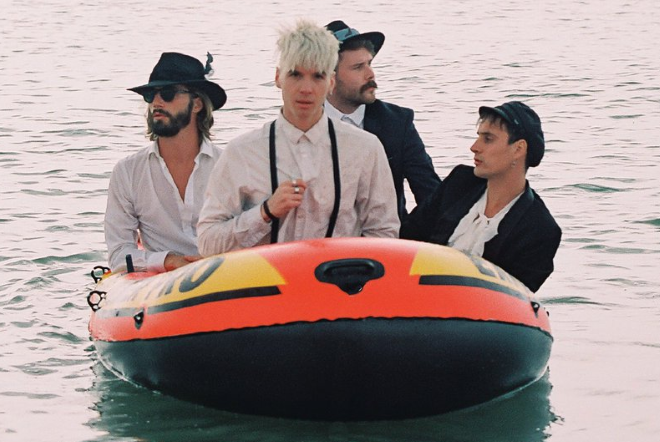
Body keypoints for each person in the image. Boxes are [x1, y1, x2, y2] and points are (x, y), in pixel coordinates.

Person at [197, 19, 399, 256]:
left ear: (331, 82)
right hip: (263, 277)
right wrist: (265, 212)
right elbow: (208, 243)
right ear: (278, 78)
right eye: (295, 75)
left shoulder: (365, 148)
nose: (306, 89)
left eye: (317, 76)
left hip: (339, 277)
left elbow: (384, 233)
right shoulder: (242, 152)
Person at [400, 101, 561, 292]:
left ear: (518, 149)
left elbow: (513, 298)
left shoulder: (540, 230)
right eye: (478, 137)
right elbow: (407, 239)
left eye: (488, 139)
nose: (474, 147)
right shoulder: (459, 183)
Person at [104, 52, 227, 272]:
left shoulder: (228, 166)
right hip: (159, 284)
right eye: (151, 95)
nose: (157, 102)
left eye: (168, 93)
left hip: (225, 275)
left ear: (197, 104)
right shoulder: (128, 172)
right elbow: (119, 254)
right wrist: (169, 260)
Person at [324, 20, 441, 221]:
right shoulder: (304, 124)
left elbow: (431, 195)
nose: (370, 74)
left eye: (369, 64)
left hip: (388, 236)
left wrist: (409, 233)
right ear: (329, 77)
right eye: (358, 67)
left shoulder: (397, 123)